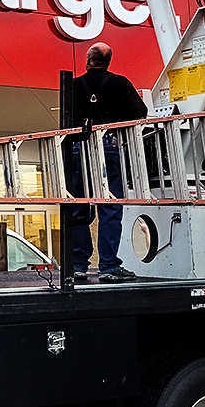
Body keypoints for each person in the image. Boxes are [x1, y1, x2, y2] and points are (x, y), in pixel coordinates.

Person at [68, 42, 147, 283]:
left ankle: (79, 265)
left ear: (87, 60)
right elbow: (140, 112)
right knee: (110, 207)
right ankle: (109, 266)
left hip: (77, 149)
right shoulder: (119, 83)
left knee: (79, 207)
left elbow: (65, 118)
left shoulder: (73, 85)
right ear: (109, 62)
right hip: (108, 147)